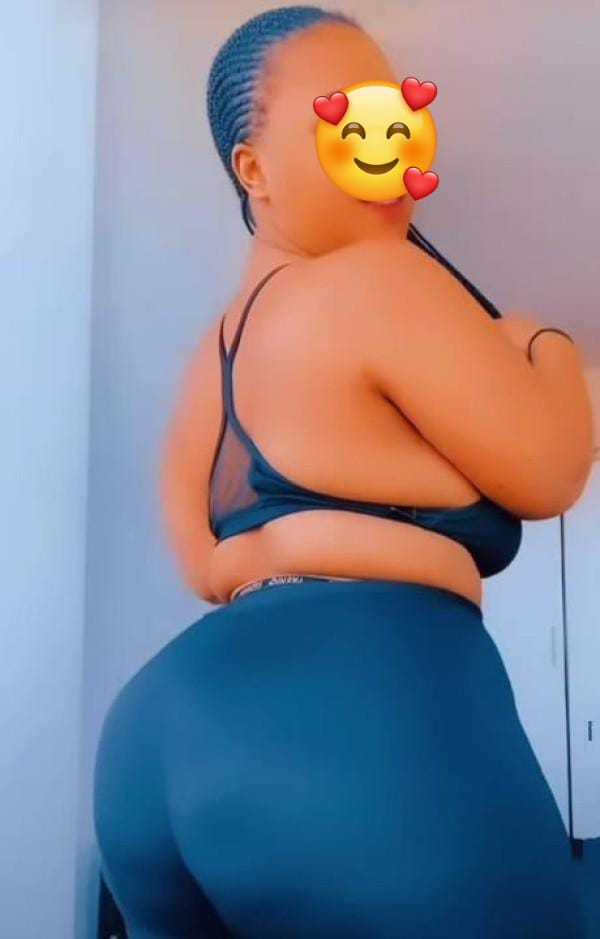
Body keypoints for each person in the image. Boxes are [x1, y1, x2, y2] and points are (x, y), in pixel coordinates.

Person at [93, 6, 594, 937]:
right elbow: (551, 469)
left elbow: (205, 566)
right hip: (360, 709)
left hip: (150, 739)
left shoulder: (208, 361)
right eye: (348, 119)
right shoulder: (378, 277)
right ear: (253, 170)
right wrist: (546, 342)